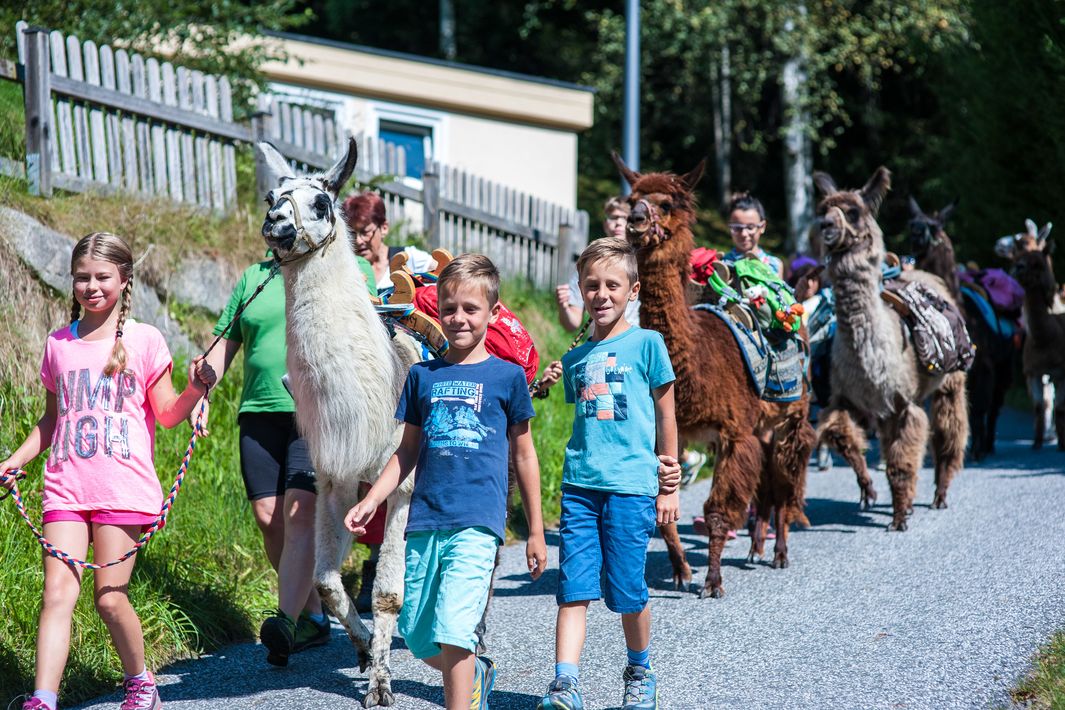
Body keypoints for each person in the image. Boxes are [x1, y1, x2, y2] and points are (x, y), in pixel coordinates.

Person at [0, 232, 215, 710]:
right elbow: (53, 420)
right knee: (56, 593)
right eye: (82, 277)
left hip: (123, 488)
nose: (91, 287)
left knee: (109, 598)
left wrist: (197, 390)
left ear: (124, 279)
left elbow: (167, 413)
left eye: (102, 277)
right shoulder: (58, 345)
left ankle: (140, 681)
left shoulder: (145, 340)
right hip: (66, 488)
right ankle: (43, 698)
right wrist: (15, 460)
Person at [344, 254, 547, 709]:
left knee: (455, 628)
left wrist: (534, 530)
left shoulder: (507, 377)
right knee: (417, 633)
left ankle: (464, 695)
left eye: (470, 309)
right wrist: (373, 499)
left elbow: (525, 453)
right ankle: (475, 671)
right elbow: (406, 451)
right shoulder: (422, 376)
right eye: (450, 308)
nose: (458, 318)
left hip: (478, 520)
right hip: (425, 520)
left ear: (493, 314)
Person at [199, 245, 373, 665]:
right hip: (258, 412)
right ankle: (314, 613)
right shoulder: (253, 276)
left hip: (314, 411)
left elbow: (370, 335)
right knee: (267, 518)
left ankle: (285, 622)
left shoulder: (349, 267)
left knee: (300, 514)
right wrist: (201, 391)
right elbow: (225, 344)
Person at [538, 237, 681, 710]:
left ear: (633, 290)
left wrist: (668, 480)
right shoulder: (576, 358)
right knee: (572, 588)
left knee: (627, 589)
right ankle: (565, 685)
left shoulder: (647, 344)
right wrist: (547, 379)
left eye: (612, 285)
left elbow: (665, 414)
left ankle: (640, 671)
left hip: (630, 487)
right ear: (580, 289)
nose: (601, 294)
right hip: (579, 486)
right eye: (591, 285)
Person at [555, 196, 638, 332]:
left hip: (634, 342)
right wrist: (563, 306)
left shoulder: (644, 264)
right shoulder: (590, 264)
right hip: (599, 345)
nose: (618, 223)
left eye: (625, 218)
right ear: (605, 224)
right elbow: (572, 324)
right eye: (614, 217)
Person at [344, 191, 437, 292]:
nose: (358, 241)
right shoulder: (346, 269)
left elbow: (447, 276)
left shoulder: (409, 259)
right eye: (351, 234)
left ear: (384, 228)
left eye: (365, 232)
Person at [723, 192, 784, 277]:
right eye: (737, 228)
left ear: (762, 227)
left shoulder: (774, 265)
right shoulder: (721, 264)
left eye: (750, 227)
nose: (744, 234)